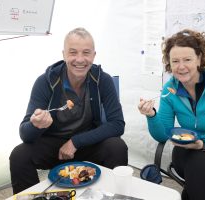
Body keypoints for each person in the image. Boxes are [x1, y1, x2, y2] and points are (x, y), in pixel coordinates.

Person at [10, 27, 128, 194]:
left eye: (86, 53)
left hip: (87, 142)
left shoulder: (103, 80)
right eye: (73, 52)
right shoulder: (45, 81)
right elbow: (25, 134)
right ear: (64, 54)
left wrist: (76, 142)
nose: (80, 59)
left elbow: (117, 125)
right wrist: (36, 125)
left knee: (117, 146)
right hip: (54, 146)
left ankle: (112, 196)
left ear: (94, 55)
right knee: (19, 155)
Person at [138, 29, 205, 200]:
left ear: (199, 59)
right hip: (188, 152)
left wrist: (203, 144)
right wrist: (151, 115)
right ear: (169, 63)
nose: (181, 66)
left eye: (187, 59)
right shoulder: (170, 90)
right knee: (199, 163)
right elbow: (162, 135)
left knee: (191, 194)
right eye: (175, 61)